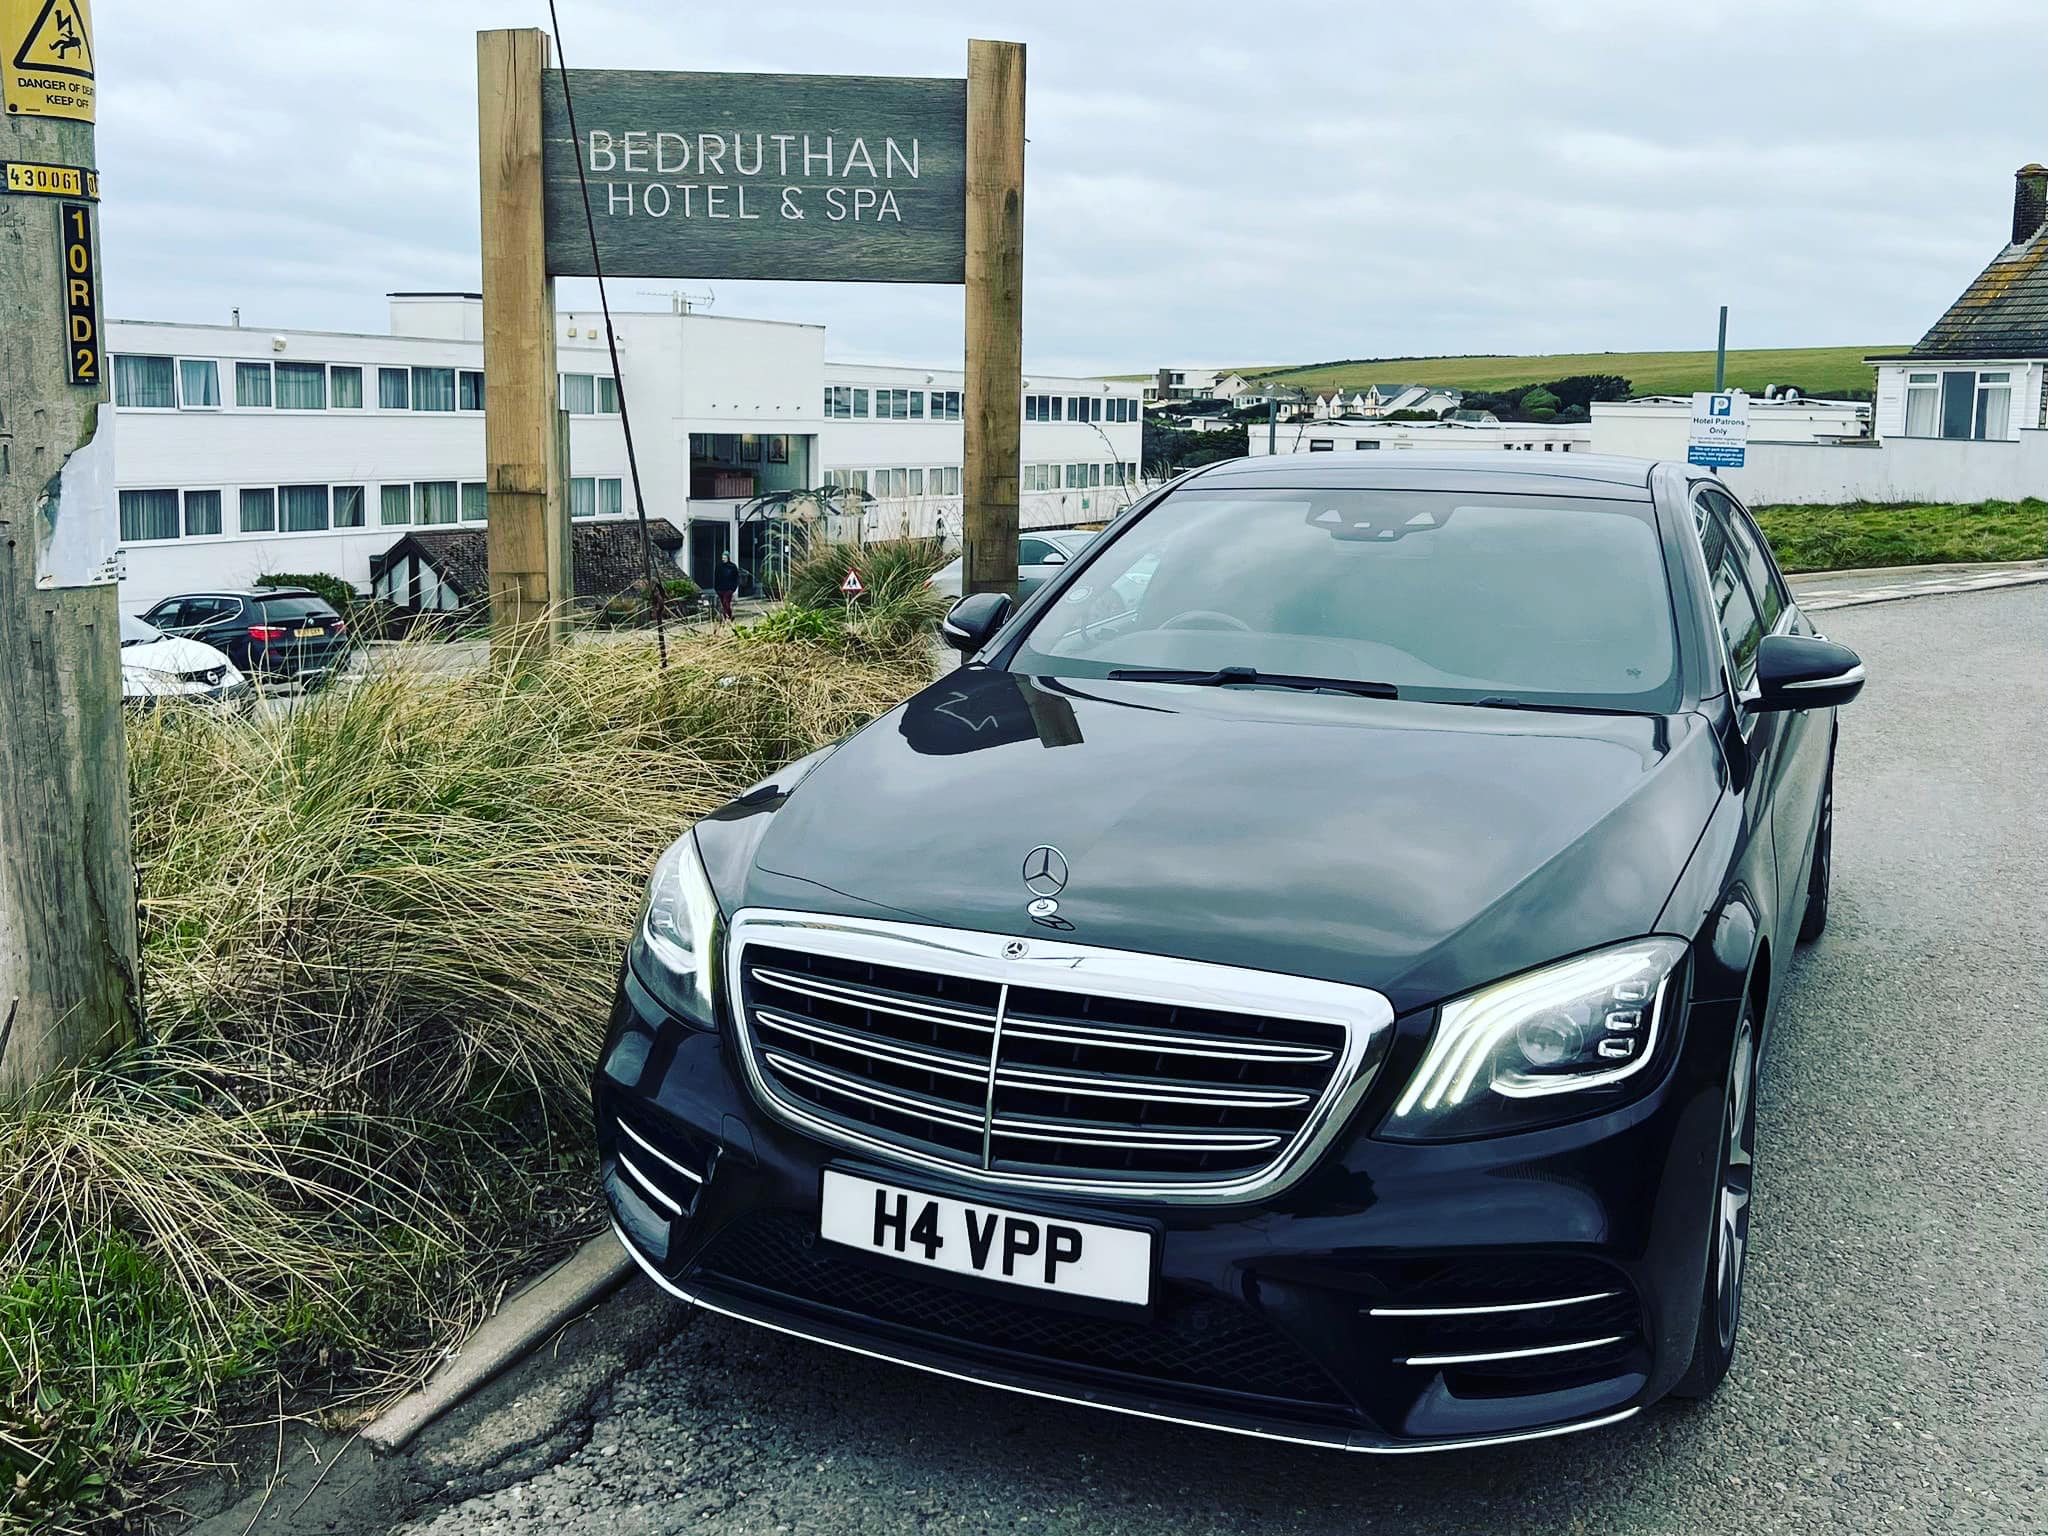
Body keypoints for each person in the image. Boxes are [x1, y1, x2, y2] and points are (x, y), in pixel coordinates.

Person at [713, 555, 742, 621]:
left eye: (725, 558)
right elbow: (716, 577)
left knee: (726, 602)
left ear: (728, 558)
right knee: (723, 604)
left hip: (729, 588)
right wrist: (716, 588)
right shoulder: (719, 567)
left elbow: (736, 577)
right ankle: (728, 616)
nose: (723, 559)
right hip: (720, 588)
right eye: (722, 558)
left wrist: (734, 587)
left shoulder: (732, 567)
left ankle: (727, 616)